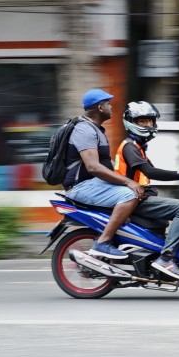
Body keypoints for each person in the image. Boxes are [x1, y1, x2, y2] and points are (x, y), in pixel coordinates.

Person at [114, 100, 179, 282]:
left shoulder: (137, 147)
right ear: (131, 122)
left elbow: (153, 170)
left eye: (150, 121)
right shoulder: (130, 147)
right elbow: (151, 172)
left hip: (139, 197)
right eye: (142, 121)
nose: (148, 125)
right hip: (135, 200)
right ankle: (166, 258)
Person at [63, 89, 145, 260]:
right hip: (81, 186)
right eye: (109, 104)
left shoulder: (96, 129)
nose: (112, 107)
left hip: (93, 184)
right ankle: (103, 242)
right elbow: (93, 167)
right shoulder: (84, 130)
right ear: (100, 107)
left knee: (139, 190)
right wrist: (127, 182)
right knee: (130, 194)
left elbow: (104, 165)